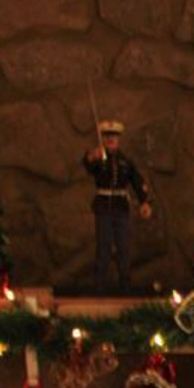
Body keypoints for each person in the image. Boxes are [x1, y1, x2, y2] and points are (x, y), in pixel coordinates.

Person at [82, 120, 152, 295]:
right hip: (103, 207)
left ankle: (125, 285)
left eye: (113, 136)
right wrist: (91, 157)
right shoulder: (99, 159)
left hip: (121, 208)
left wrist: (144, 202)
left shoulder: (126, 161)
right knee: (104, 247)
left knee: (123, 247)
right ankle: (99, 286)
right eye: (107, 136)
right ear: (103, 138)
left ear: (119, 139)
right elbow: (88, 165)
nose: (110, 139)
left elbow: (137, 181)